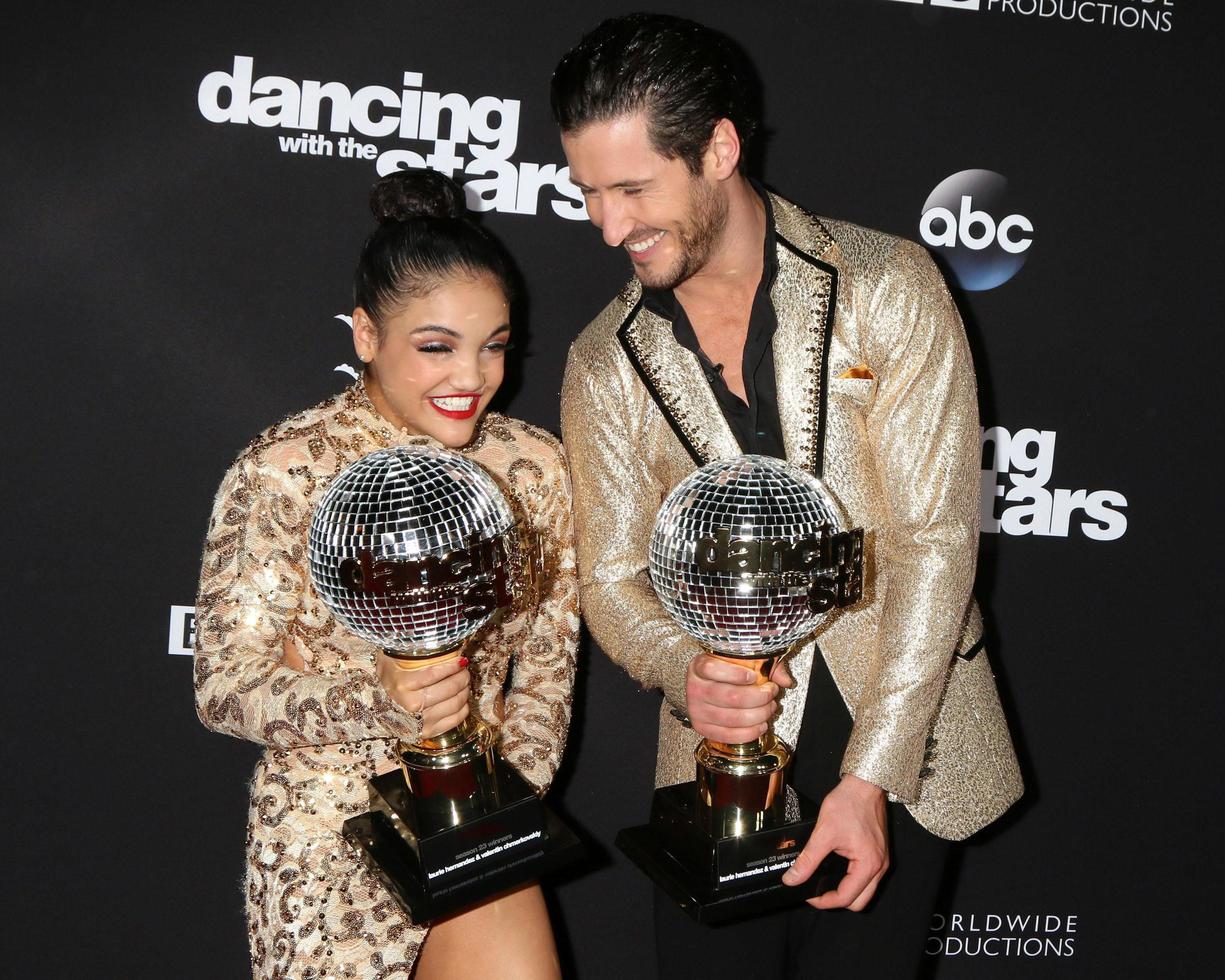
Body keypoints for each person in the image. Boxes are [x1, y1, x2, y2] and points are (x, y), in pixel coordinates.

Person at [552, 13, 1022, 978]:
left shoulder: (886, 283)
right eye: (588, 193)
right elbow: (607, 579)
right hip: (717, 764)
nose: (609, 226)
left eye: (634, 188)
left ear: (718, 147)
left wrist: (870, 779)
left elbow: (935, 541)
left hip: (901, 728)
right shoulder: (603, 361)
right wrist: (682, 667)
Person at [193, 169, 578, 980]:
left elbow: (546, 666)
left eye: (494, 346)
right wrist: (377, 697)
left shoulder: (532, 466)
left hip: (476, 812)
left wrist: (506, 794)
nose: (470, 377)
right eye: (435, 346)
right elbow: (224, 687)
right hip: (326, 832)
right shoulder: (288, 468)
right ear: (365, 335)